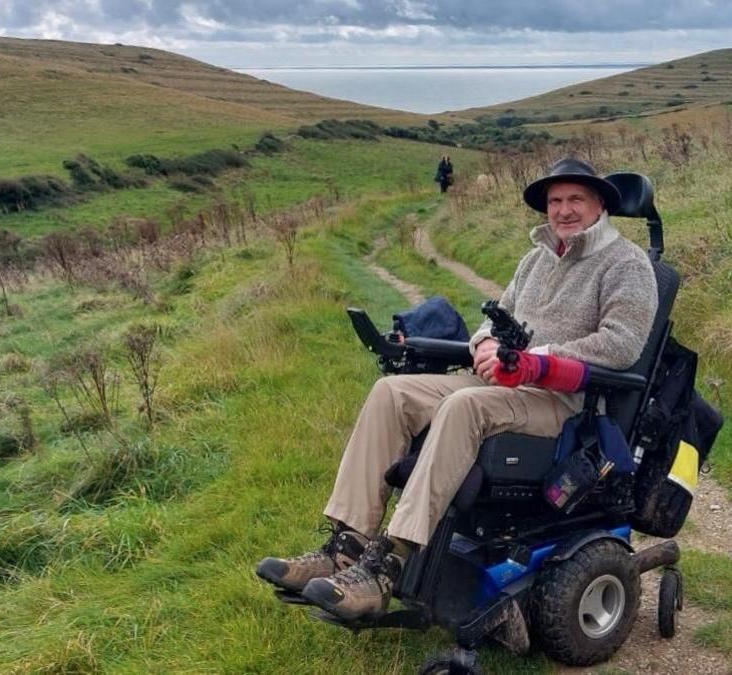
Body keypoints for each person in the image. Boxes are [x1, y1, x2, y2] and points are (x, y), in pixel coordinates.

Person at [256, 157, 658, 621]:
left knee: (463, 405)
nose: (564, 210)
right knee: (392, 393)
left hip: (565, 402)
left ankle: (389, 564)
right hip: (506, 384)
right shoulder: (537, 259)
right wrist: (484, 343)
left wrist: (539, 359)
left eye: (576, 200)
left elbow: (621, 345)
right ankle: (347, 546)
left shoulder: (625, 263)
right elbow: (495, 319)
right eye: (555, 201)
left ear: (600, 204)